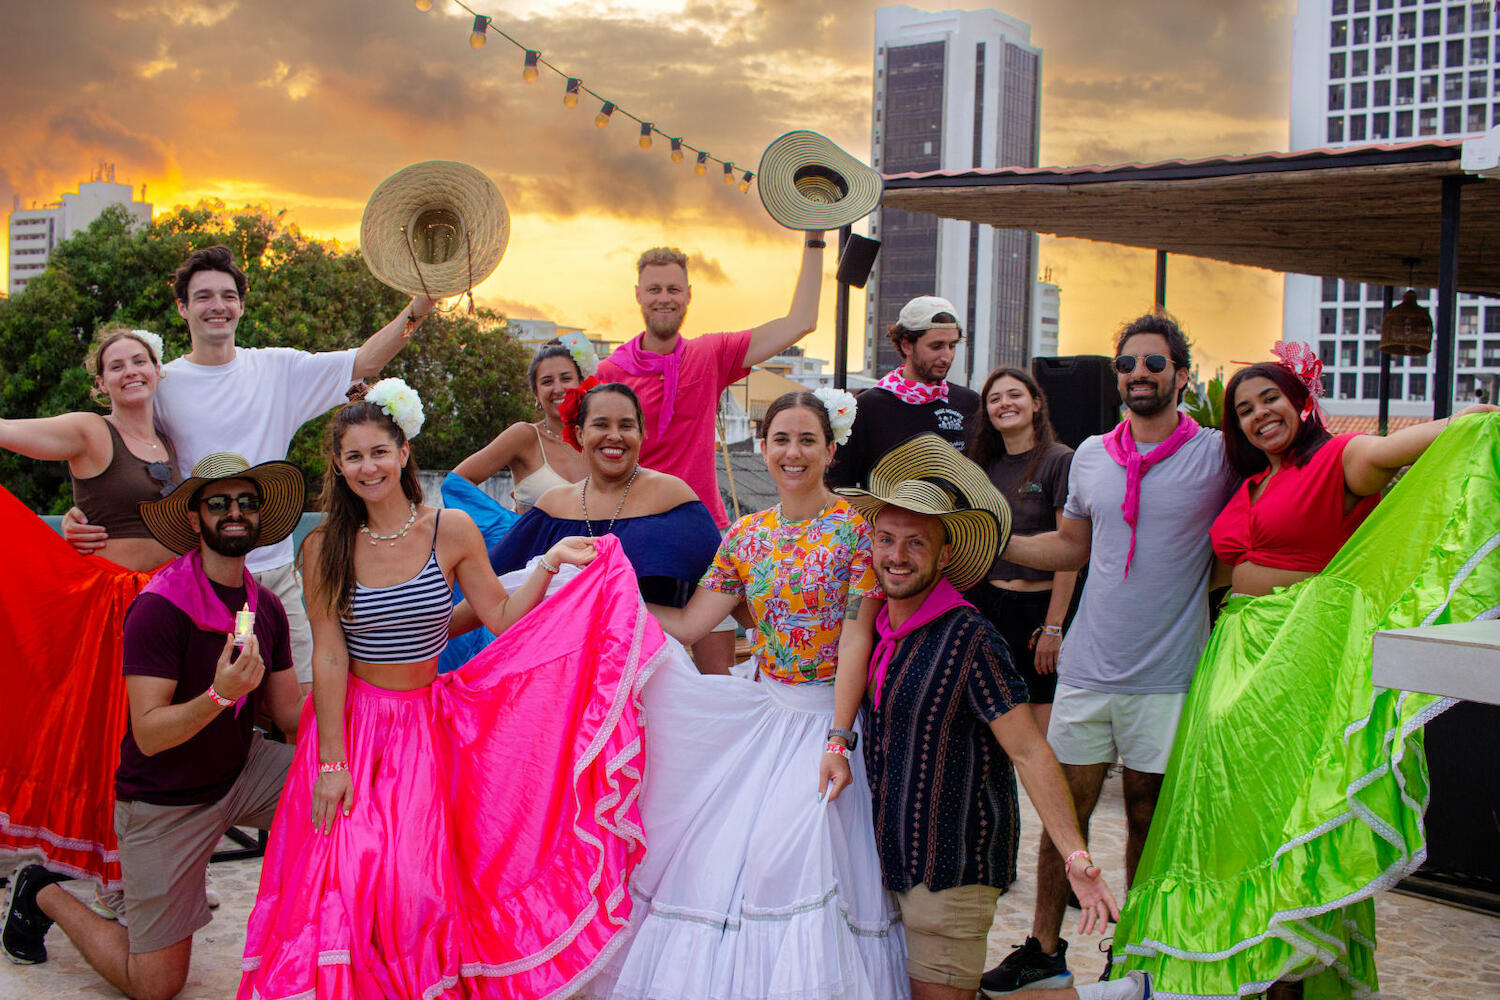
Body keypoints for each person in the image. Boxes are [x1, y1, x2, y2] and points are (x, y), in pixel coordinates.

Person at [239, 380, 659, 998]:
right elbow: (329, 656)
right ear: (337, 465)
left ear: (403, 452)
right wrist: (331, 761)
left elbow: (503, 620)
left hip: (427, 729)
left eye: (379, 452)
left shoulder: (452, 529)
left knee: (414, 886)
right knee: (348, 879)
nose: (368, 467)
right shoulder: (324, 546)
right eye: (353, 456)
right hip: (352, 727)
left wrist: (548, 563)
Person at [1112, 346, 1500, 998]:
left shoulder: (1339, 460)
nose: (1259, 413)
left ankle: (1283, 975)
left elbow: (1464, 428)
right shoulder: (1253, 483)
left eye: (1270, 398)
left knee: (1278, 824)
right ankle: (1236, 973)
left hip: (1295, 667)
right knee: (1223, 824)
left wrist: (1481, 414)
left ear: (1300, 401)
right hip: (1232, 666)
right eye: (1244, 409)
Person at [588, 389, 906, 999]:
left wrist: (839, 737)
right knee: (723, 862)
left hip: (827, 721)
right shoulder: (744, 535)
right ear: (762, 449)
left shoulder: (857, 531)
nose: (793, 452)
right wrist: (605, 589)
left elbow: (856, 638)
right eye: (781, 440)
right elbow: (688, 625)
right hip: (765, 709)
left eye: (807, 440)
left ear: (831, 450)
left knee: (791, 859)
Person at [833, 434, 1150, 1000]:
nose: (896, 556)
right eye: (885, 539)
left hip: (955, 866)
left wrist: (1076, 854)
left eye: (915, 543)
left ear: (946, 553)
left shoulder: (969, 636)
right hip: (894, 861)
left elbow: (1029, 750)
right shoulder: (881, 629)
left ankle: (1110, 994)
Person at [62, 244, 436, 694]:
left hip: (275, 572)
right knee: (212, 701)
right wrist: (82, 511)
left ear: (241, 303)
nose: (216, 306)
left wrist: (422, 305)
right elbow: (122, 450)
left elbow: (365, 362)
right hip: (201, 574)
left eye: (227, 295)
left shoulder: (277, 369)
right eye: (202, 296)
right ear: (182, 307)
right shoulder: (162, 384)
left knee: (301, 700)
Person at [2, 452, 306, 1000]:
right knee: (155, 986)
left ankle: (318, 930)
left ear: (259, 517)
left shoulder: (266, 608)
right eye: (219, 502)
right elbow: (149, 733)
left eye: (246, 501)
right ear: (195, 519)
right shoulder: (160, 607)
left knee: (349, 795)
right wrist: (221, 694)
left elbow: (288, 716)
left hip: (240, 772)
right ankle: (42, 891)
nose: (234, 511)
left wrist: (366, 679)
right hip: (165, 803)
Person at [993, 313, 1238, 993]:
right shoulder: (1094, 454)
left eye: (1154, 365)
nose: (1139, 375)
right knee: (1060, 818)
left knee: (1145, 818)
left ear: (1181, 377)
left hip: (1168, 674)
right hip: (1088, 669)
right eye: (1128, 365)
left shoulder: (1216, 454)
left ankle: (1137, 955)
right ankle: (1043, 948)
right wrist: (994, 543)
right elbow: (1072, 546)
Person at [0, 327, 180, 891]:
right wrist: (71, 527)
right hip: (114, 606)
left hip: (166, 602)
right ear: (100, 383)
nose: (130, 371)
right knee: (114, 740)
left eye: (140, 361)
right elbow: (10, 433)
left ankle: (148, 870)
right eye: (116, 366)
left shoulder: (169, 441)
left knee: (157, 742)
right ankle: (112, 880)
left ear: (157, 371)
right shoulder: (88, 430)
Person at [596, 238, 826, 670]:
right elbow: (591, 456)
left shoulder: (708, 354)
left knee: (716, 679)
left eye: (673, 289)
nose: (664, 298)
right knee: (634, 682)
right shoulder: (610, 373)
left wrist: (814, 240)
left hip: (704, 534)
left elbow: (801, 321)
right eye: (654, 289)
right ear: (638, 296)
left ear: (688, 296)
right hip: (638, 543)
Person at [477, 381, 721, 636]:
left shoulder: (672, 496)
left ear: (641, 434)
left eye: (626, 425)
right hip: (560, 663)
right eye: (601, 425)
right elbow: (489, 594)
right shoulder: (553, 505)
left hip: (648, 662)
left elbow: (727, 579)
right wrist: (436, 628)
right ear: (580, 434)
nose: (614, 435)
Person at [965, 366, 1077, 739]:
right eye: (994, 399)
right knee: (990, 721)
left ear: (1036, 403)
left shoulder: (1059, 459)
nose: (1004, 404)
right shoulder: (984, 467)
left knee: (1038, 729)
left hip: (1038, 610)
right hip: (988, 604)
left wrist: (1054, 627)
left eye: (1014, 394)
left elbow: (1071, 552)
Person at [827, 296, 982, 490]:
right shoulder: (867, 407)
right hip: (886, 519)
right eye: (936, 346)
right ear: (906, 344)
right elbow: (839, 485)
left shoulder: (969, 402)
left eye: (952, 346)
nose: (946, 356)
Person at [452, 338, 590, 512]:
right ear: (536, 393)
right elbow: (458, 482)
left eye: (566, 378)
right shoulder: (525, 436)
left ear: (581, 382)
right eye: (547, 381)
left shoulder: (599, 439)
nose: (558, 388)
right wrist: (508, 526)